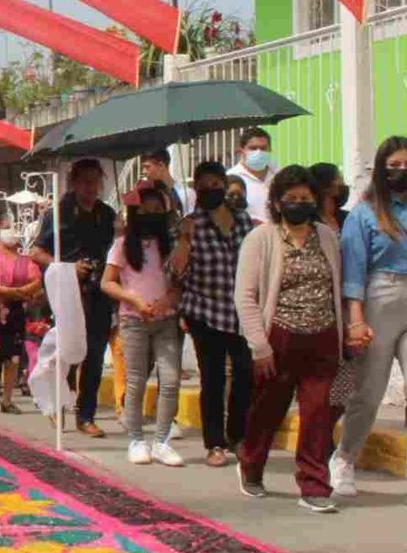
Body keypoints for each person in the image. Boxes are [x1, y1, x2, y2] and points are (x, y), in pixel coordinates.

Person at [333, 137, 407, 514]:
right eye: (395, 165)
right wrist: (355, 320)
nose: (402, 171)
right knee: (368, 392)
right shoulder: (364, 213)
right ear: (382, 169)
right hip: (378, 298)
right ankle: (344, 458)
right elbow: (354, 273)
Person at [234, 165, 345, 512]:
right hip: (278, 338)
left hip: (323, 337)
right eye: (291, 198)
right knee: (267, 411)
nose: (299, 204)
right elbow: (245, 296)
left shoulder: (327, 237)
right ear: (278, 202)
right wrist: (259, 345)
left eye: (305, 198)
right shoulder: (261, 239)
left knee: (317, 415)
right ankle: (251, 465)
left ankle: (314, 485)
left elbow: (336, 286)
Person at [170, 161, 256, 468]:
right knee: (213, 378)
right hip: (204, 311)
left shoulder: (244, 221)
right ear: (196, 189)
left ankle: (238, 436)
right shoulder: (190, 224)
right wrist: (184, 239)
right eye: (203, 186)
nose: (210, 190)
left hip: (241, 311)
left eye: (215, 184)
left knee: (245, 375)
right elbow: (175, 272)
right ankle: (214, 443)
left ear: (224, 184)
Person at [31, 159, 117, 437]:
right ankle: (57, 405)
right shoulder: (57, 214)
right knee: (66, 352)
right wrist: (68, 268)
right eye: (85, 181)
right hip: (68, 292)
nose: (91, 187)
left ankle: (86, 415)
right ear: (73, 183)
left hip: (99, 292)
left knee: (95, 354)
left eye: (95, 181)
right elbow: (37, 252)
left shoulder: (108, 214)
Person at [102, 182, 185, 467]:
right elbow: (107, 283)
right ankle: (136, 440)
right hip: (133, 321)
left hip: (165, 320)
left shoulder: (170, 246)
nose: (152, 215)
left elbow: (178, 285)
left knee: (170, 380)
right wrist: (134, 300)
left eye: (157, 209)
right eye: (146, 210)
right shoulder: (122, 246)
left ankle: (161, 442)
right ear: (135, 214)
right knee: (136, 381)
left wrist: (167, 301)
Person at [0, 217, 41, 413]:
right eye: (6, 227)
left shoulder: (25, 254)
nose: (10, 230)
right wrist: (4, 291)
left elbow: (36, 279)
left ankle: (7, 399)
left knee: (13, 356)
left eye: (14, 227)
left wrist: (19, 292)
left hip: (15, 308)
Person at [227, 127, 275, 223]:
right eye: (253, 148)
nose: (259, 152)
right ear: (241, 150)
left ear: (270, 150)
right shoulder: (231, 179)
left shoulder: (279, 175)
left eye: (263, 148)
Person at [140, 147, 192, 216]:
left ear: (161, 165)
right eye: (142, 167)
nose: (143, 171)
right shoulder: (145, 193)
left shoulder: (184, 194)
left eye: (147, 167)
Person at [311, 162, 351, 231]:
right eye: (340, 179)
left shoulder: (348, 218)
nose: (343, 184)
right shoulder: (309, 223)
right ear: (327, 187)